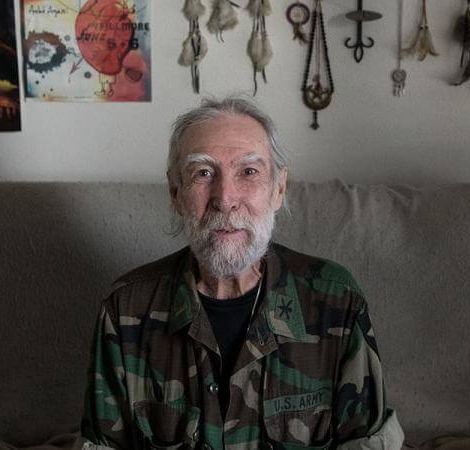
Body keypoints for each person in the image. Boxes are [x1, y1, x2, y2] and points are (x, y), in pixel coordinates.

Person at [80, 97, 402, 449]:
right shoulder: (125, 308)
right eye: (203, 173)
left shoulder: (338, 301)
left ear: (278, 189)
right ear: (175, 192)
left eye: (248, 172)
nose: (225, 198)